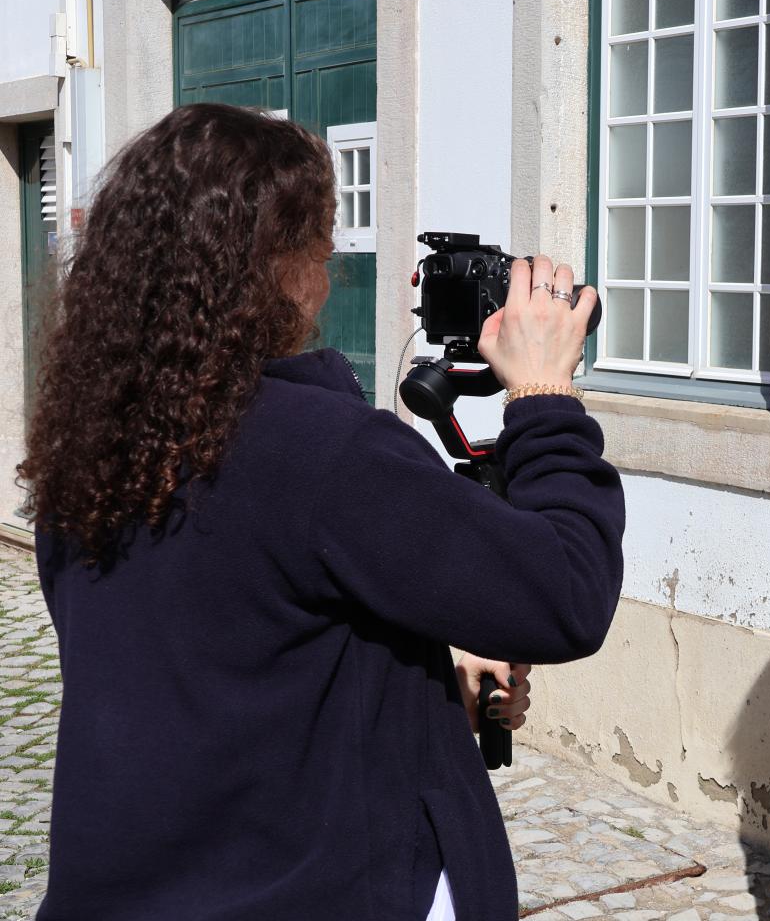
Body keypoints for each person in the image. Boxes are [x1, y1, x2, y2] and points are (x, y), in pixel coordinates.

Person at [17, 103, 626, 920]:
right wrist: (547, 397)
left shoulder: (97, 444)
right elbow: (564, 593)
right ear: (274, 265)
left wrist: (417, 683)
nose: (332, 267)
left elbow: (219, 662)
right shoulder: (325, 451)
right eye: (322, 240)